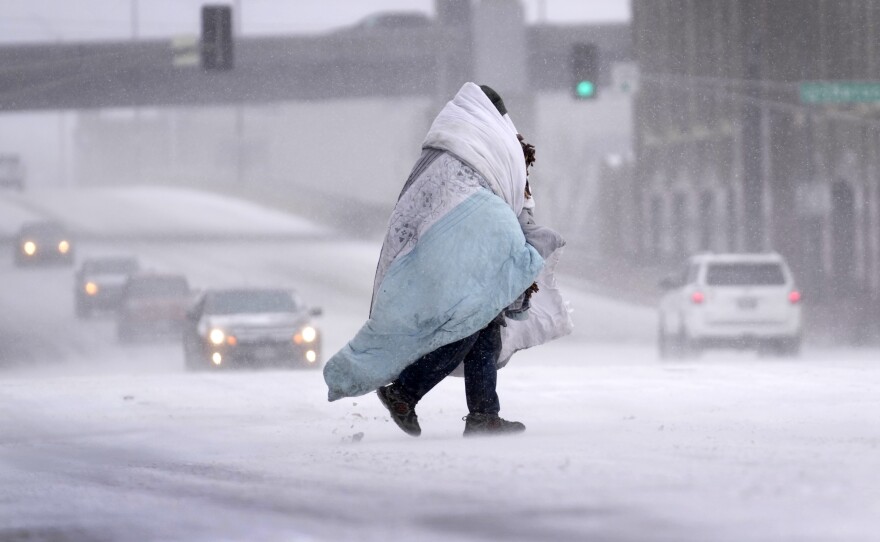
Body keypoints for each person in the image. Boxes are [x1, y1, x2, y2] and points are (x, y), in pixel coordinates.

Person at [323, 82, 570, 437]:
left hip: (438, 247)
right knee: (470, 321)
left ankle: (484, 413)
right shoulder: (489, 143)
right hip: (461, 246)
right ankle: (404, 391)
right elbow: (508, 194)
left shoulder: (447, 147)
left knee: (484, 322)